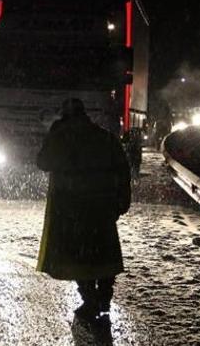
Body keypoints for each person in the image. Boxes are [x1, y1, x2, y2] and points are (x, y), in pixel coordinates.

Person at [36, 98, 131, 322]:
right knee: (103, 252)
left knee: (78, 256)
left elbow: (43, 162)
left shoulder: (61, 137)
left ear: (64, 116)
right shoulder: (105, 137)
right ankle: (105, 298)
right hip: (102, 205)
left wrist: (53, 134)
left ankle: (90, 300)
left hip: (71, 207)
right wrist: (121, 200)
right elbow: (122, 169)